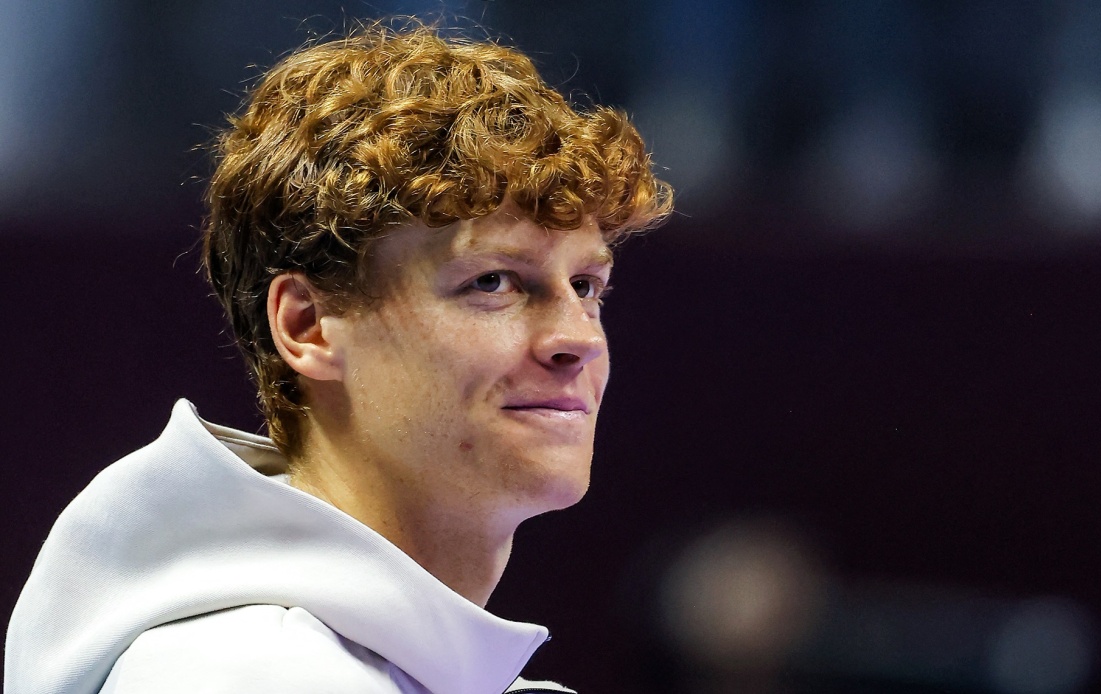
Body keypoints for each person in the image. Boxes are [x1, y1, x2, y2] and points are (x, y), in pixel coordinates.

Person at [5, 21, 671, 694]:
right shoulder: (243, 675)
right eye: (492, 282)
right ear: (308, 325)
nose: (578, 339)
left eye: (585, 286)